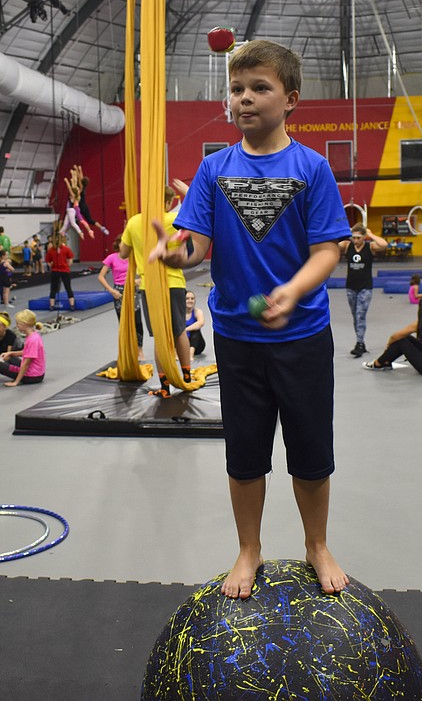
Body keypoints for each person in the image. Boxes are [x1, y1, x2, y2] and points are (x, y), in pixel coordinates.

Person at [150, 40, 351, 598]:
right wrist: (176, 254)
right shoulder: (214, 169)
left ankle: (317, 544)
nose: (245, 99)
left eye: (259, 88)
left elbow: (329, 249)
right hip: (237, 337)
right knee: (245, 455)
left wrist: (292, 290)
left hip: (303, 335)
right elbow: (198, 247)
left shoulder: (311, 168)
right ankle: (249, 549)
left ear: (290, 99)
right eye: (237, 89)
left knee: (311, 453)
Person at [120, 185, 191, 397]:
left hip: (148, 286)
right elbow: (195, 212)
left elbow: (123, 253)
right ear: (169, 202)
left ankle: (164, 384)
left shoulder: (134, 222)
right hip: (175, 283)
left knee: (160, 336)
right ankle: (187, 376)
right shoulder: (171, 219)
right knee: (179, 331)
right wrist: (188, 192)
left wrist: (132, 235)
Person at [363, 294, 422, 375]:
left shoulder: (421, 323)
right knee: (407, 337)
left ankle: (379, 363)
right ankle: (387, 361)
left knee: (401, 341)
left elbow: (394, 336)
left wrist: (388, 346)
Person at [339, 224, 387, 357]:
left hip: (365, 288)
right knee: (355, 317)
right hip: (351, 287)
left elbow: (383, 244)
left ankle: (359, 344)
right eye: (353, 237)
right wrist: (344, 232)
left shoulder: (369, 247)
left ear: (364, 237)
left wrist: (370, 235)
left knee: (360, 315)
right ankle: (361, 342)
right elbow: (334, 241)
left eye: (358, 238)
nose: (355, 240)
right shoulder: (348, 246)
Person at [97, 235, 144, 359]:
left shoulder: (134, 257)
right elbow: (101, 277)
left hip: (132, 289)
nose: (124, 246)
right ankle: (125, 350)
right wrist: (112, 291)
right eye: (122, 243)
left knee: (137, 321)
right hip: (119, 290)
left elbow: (145, 271)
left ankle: (139, 350)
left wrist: (139, 280)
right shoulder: (111, 258)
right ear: (117, 244)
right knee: (123, 322)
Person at [0, 309, 45, 385]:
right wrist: (11, 353)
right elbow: (27, 352)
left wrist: (16, 382)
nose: (17, 326)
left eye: (17, 323)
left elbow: (26, 364)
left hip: (33, 376)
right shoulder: (34, 334)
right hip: (37, 372)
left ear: (23, 324)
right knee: (9, 357)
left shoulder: (32, 340)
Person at [45, 231, 75, 311]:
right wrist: (52, 265)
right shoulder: (51, 250)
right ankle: (52, 305)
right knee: (54, 288)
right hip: (57, 270)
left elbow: (70, 258)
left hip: (63, 270)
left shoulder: (65, 249)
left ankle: (71, 305)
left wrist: (68, 265)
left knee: (67, 287)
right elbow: (48, 260)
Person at [62, 165, 93, 240]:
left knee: (72, 223)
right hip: (78, 207)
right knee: (70, 222)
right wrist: (79, 170)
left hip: (76, 208)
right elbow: (81, 179)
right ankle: (63, 233)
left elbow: (78, 180)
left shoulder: (78, 192)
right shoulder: (82, 189)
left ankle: (80, 232)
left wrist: (67, 181)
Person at [184, 290, 206, 360]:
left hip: (197, 346)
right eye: (187, 299)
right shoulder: (179, 313)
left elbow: (201, 323)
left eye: (192, 299)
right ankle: (176, 354)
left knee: (195, 331)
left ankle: (190, 356)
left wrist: (185, 330)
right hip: (183, 345)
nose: (190, 301)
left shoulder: (197, 311)